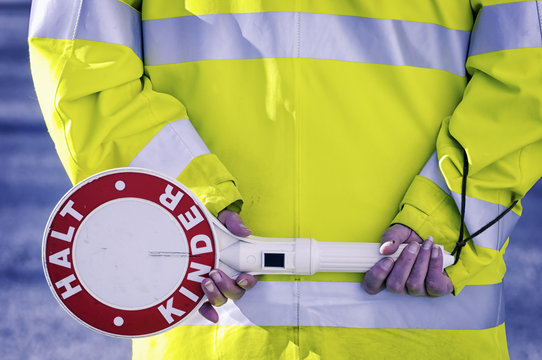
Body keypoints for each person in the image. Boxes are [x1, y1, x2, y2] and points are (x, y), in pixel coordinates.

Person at [29, 0, 542, 359]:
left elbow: (79, 59)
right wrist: (446, 213)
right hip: (413, 310)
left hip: (219, 319)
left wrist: (183, 210)